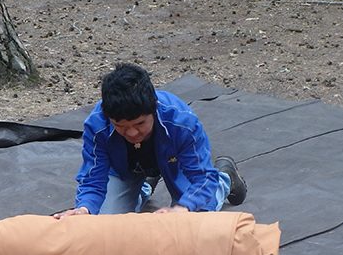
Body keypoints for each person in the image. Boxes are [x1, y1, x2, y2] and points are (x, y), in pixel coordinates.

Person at [54, 63, 247, 217]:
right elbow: (92, 180)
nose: (132, 133)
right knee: (104, 223)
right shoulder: (97, 126)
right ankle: (143, 186)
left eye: (139, 123)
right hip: (124, 168)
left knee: (194, 217)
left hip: (176, 163)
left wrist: (183, 208)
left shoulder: (182, 122)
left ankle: (224, 179)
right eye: (120, 126)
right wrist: (84, 208)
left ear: (154, 109)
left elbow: (202, 178)